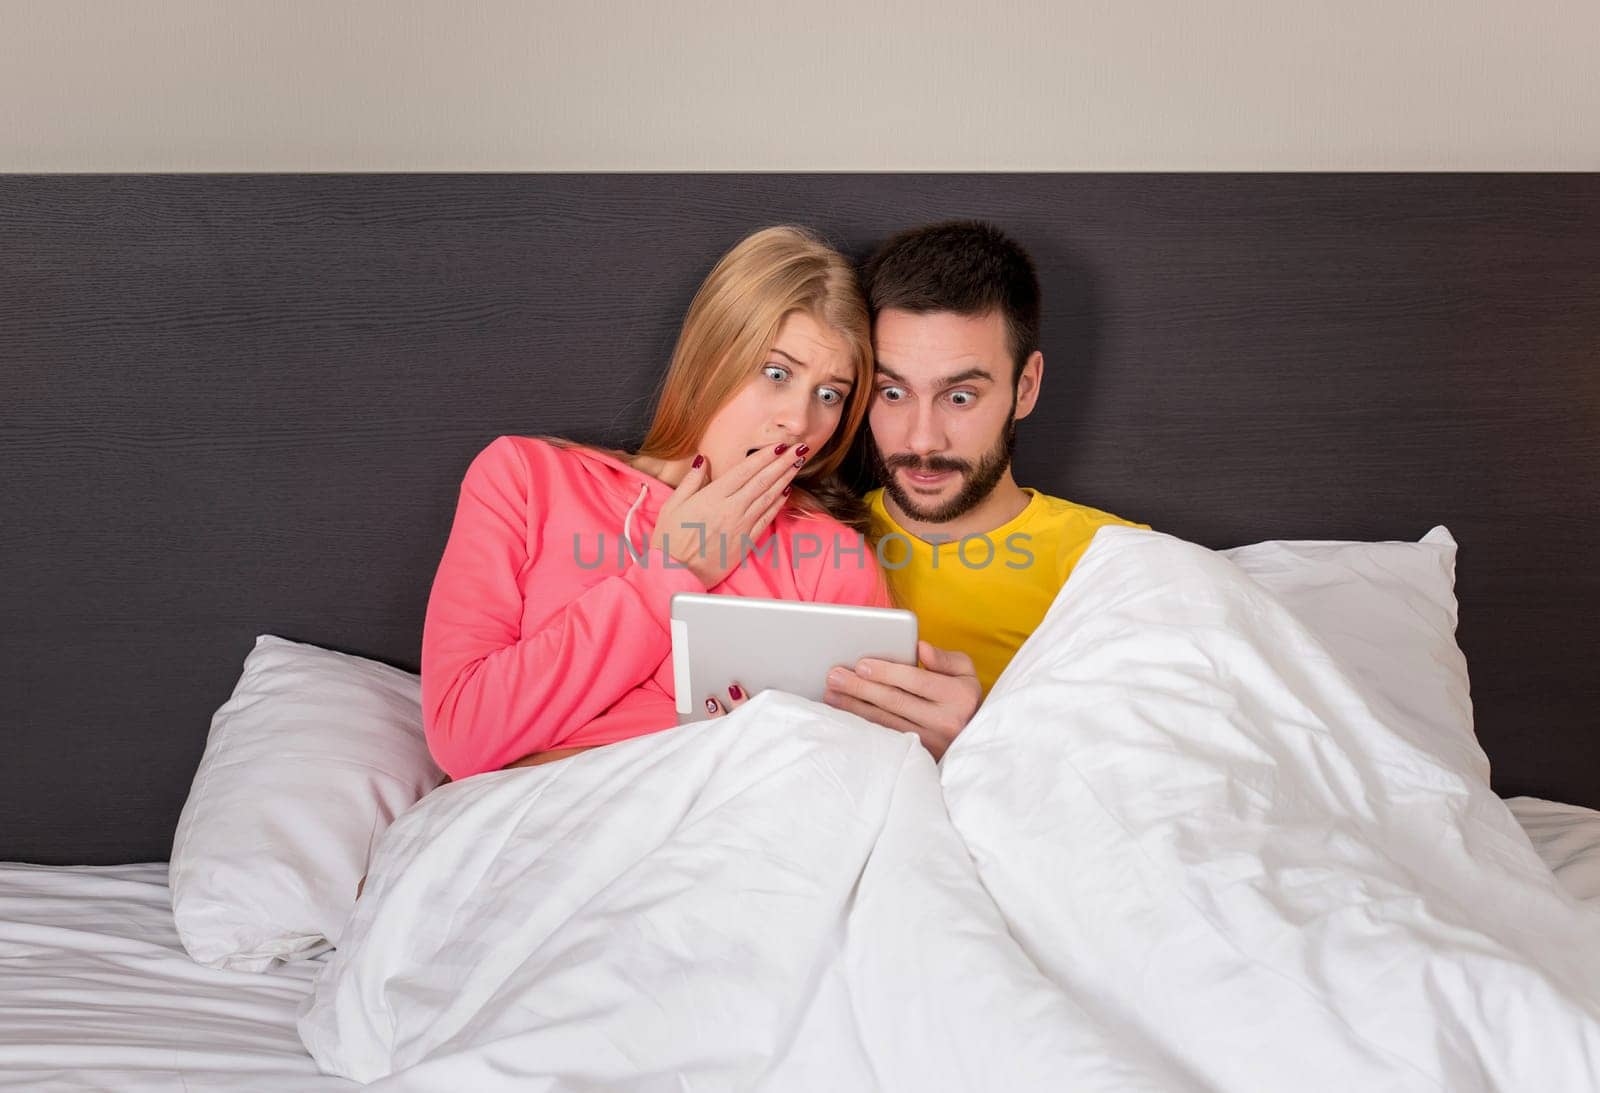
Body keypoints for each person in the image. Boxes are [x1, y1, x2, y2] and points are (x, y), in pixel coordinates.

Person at [422, 225, 890, 781]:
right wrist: (671, 573)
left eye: (829, 394)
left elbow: (855, 775)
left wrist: (756, 747)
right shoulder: (524, 478)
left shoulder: (829, 557)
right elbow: (461, 737)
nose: (800, 421)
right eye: (776, 372)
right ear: (711, 357)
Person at [822, 221, 1146, 760]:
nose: (922, 439)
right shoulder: (810, 541)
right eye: (894, 391)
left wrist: (986, 741)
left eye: (960, 397)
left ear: (1025, 388)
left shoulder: (1114, 563)